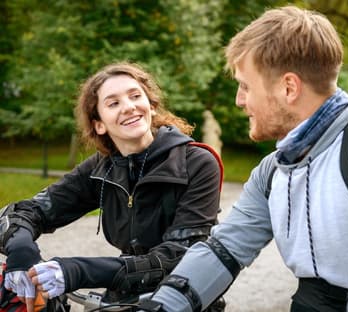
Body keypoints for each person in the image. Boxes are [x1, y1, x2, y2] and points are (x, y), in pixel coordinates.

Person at [134, 5, 348, 312]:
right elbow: (223, 250)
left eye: (245, 86)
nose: (239, 100)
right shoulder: (272, 169)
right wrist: (161, 305)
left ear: (288, 87)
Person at [0, 62, 225, 312]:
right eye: (113, 103)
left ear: (151, 106)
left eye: (135, 96)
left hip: (184, 297)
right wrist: (21, 251)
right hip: (124, 295)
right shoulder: (102, 167)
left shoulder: (196, 162)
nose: (129, 107)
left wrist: (77, 271)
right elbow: (24, 212)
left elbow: (181, 255)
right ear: (99, 124)